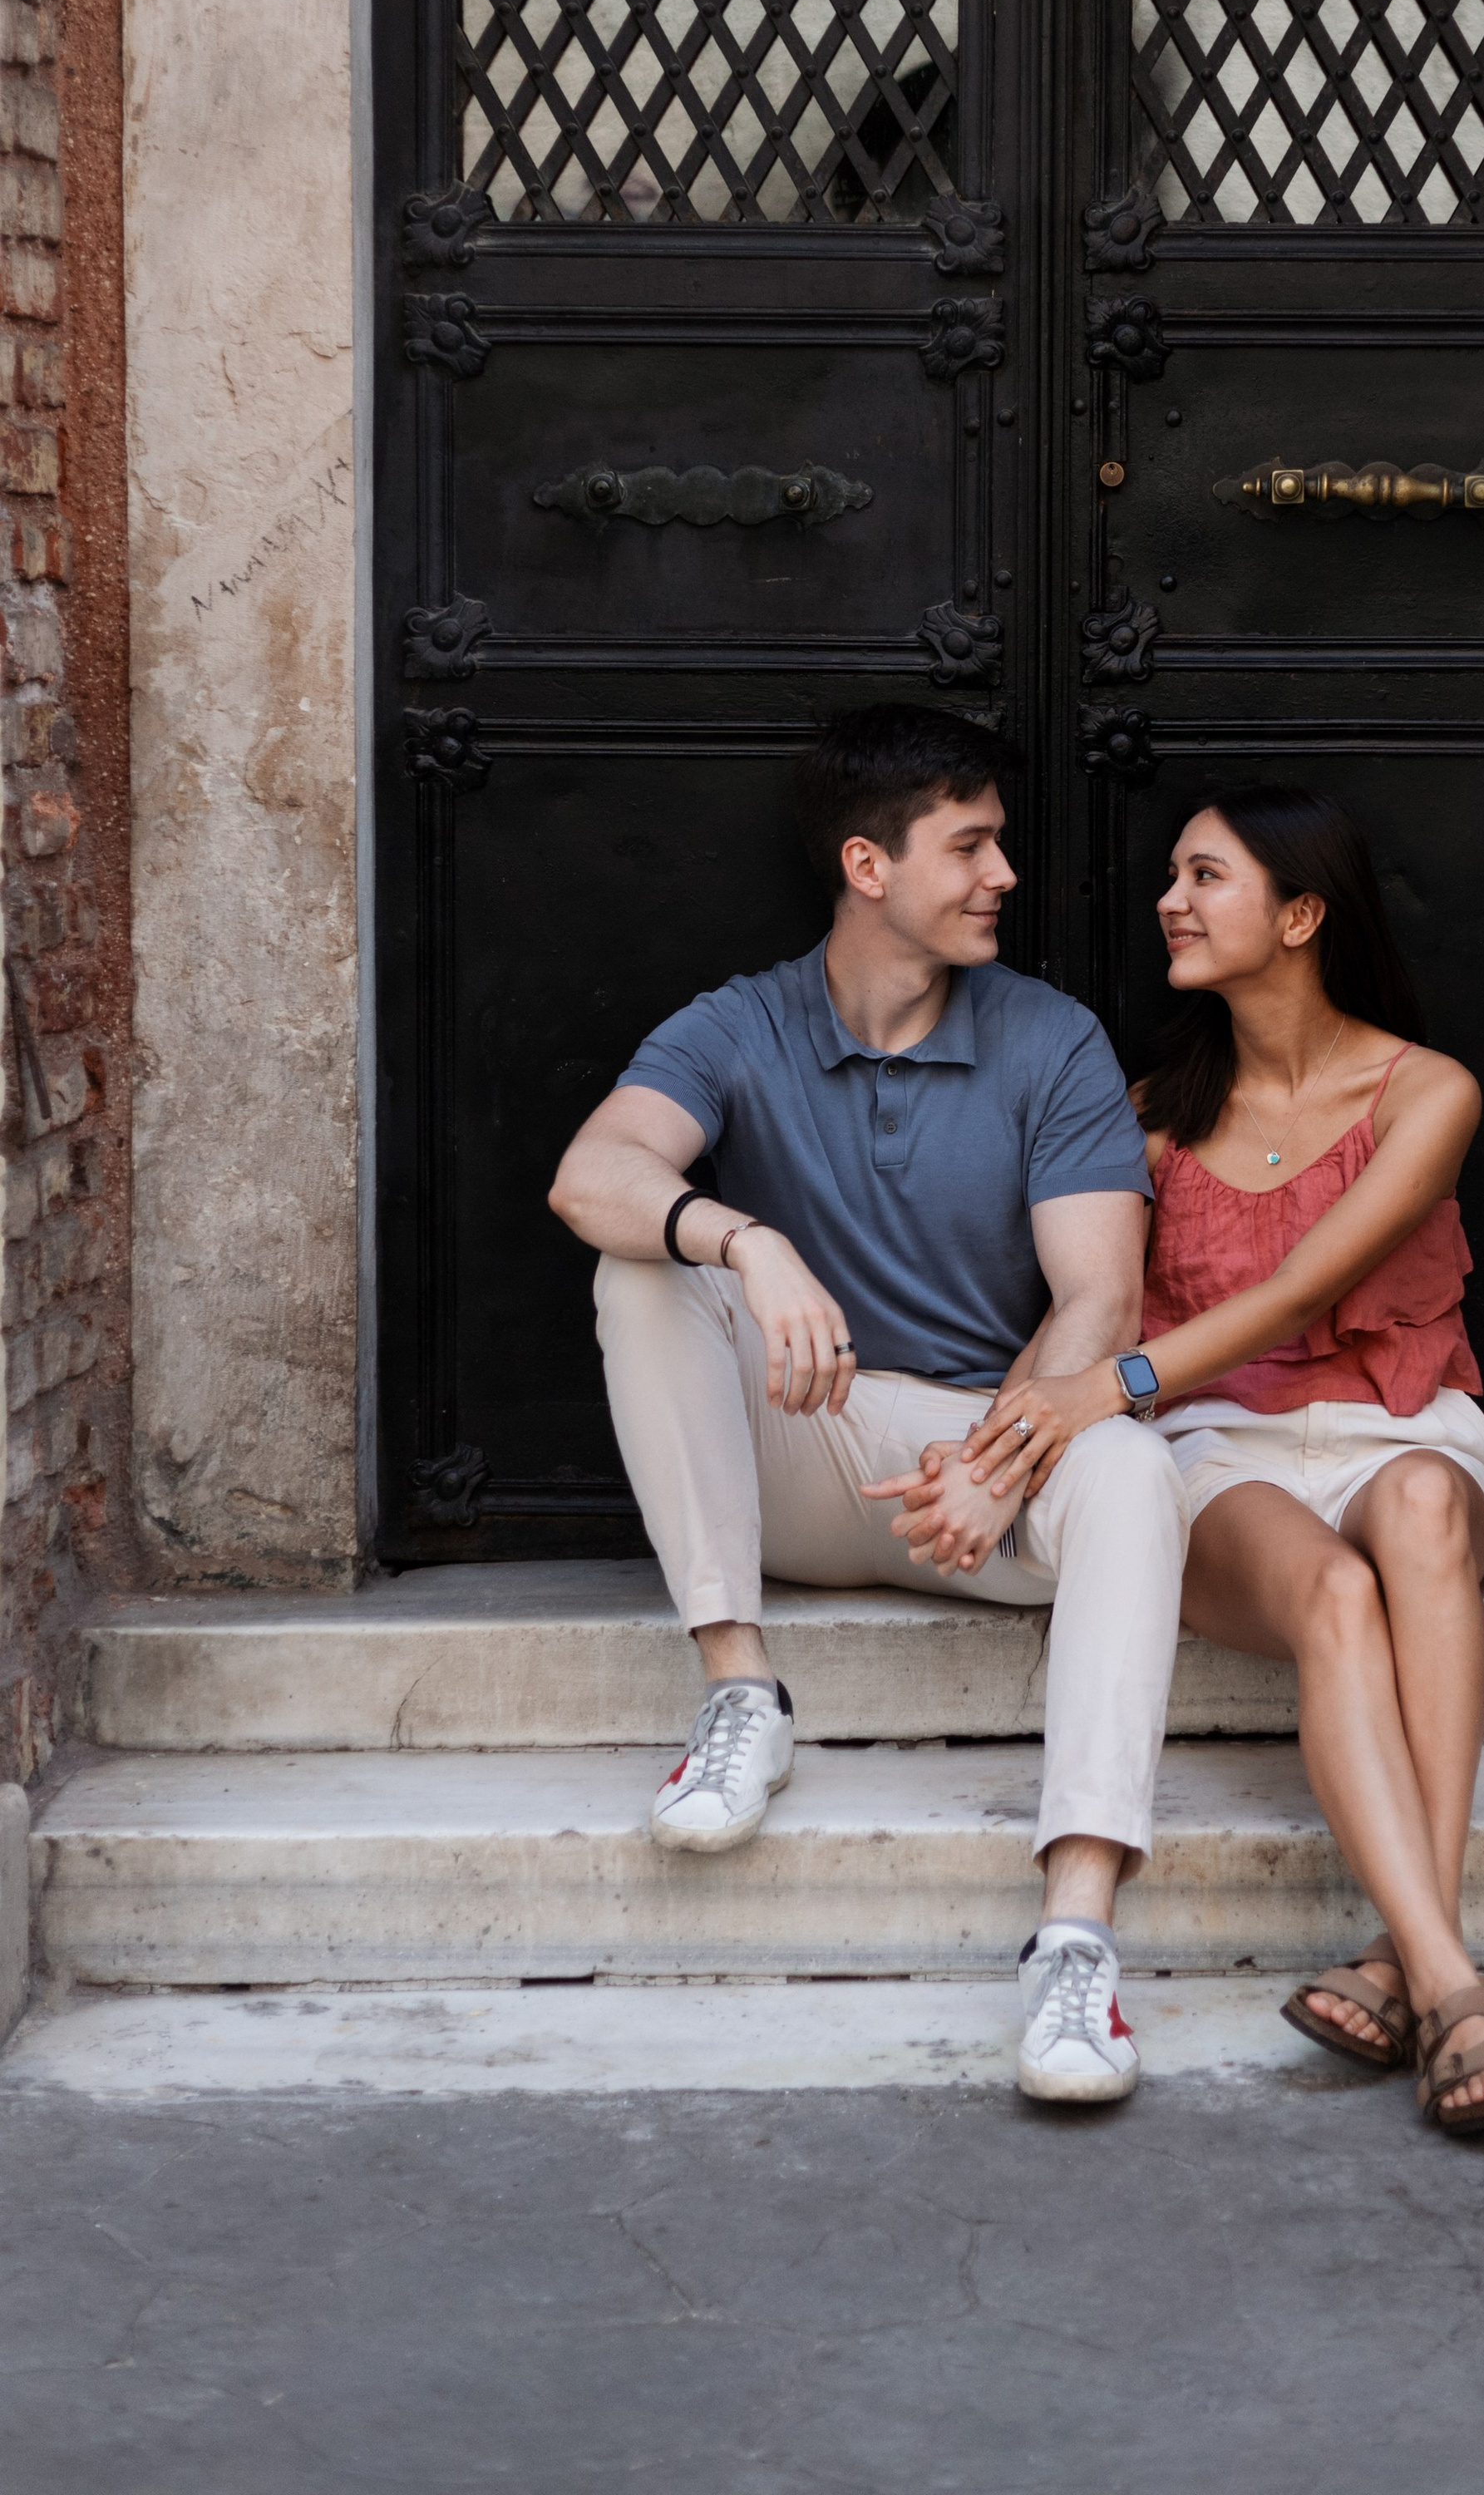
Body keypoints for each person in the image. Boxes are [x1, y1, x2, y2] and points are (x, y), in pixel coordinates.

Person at [547, 703, 1186, 2106]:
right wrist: (747, 1239)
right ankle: (741, 1694)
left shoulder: (1050, 1038)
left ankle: (1074, 1943)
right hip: (806, 1454)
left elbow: (1101, 1309)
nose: (1003, 875)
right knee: (644, 1270)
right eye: (970, 846)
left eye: (1001, 844)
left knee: (1136, 1471)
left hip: (979, 1464)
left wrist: (1003, 1458)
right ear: (868, 865)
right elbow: (592, 1173)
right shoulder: (738, 1023)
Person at [949, 787, 1484, 2136]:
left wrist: (1110, 1385)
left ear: (1300, 914)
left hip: (1402, 1419)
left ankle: (1410, 1959)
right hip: (1225, 1446)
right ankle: (1453, 1981)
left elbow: (1300, 1290)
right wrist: (1013, 1431)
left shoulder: (1427, 1090)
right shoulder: (1152, 1111)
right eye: (1173, 873)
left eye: (1205, 876)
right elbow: (1091, 1293)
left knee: (1414, 1509)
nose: (1171, 898)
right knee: (1337, 1598)